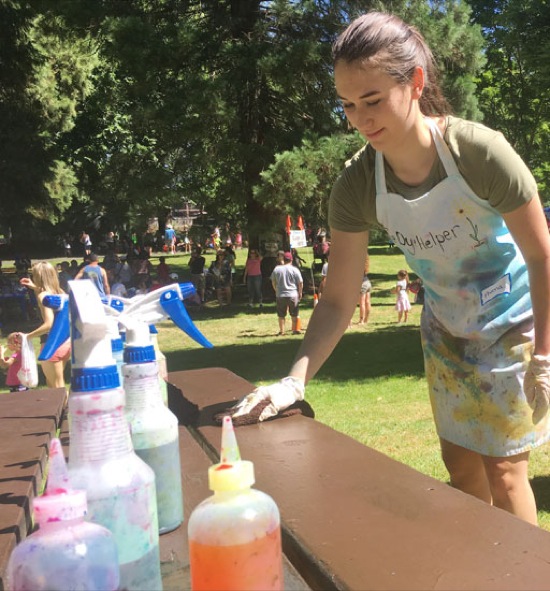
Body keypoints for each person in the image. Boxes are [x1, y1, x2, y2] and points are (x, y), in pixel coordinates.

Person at [229, 11, 550, 526]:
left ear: (415, 82)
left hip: (513, 326)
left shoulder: (480, 153)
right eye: (348, 105)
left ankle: (526, 568)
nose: (360, 118)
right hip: (445, 332)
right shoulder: (357, 186)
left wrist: (546, 356)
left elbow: (541, 256)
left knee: (506, 472)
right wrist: (294, 382)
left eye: (372, 100)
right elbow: (338, 299)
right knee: (460, 468)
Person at [20, 261, 71, 389]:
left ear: (39, 277)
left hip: (51, 343)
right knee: (55, 384)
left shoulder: (43, 296)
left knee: (56, 387)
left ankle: (64, 403)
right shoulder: (61, 292)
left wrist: (27, 336)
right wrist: (35, 288)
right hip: (65, 342)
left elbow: (49, 323)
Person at [270, 252, 303, 336]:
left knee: (281, 315)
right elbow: (300, 283)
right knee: (294, 314)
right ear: (291, 260)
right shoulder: (295, 269)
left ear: (283, 259)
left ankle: (282, 331)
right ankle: (295, 330)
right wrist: (300, 292)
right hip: (293, 294)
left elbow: (273, 281)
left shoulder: (277, 269)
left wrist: (276, 290)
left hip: (280, 295)